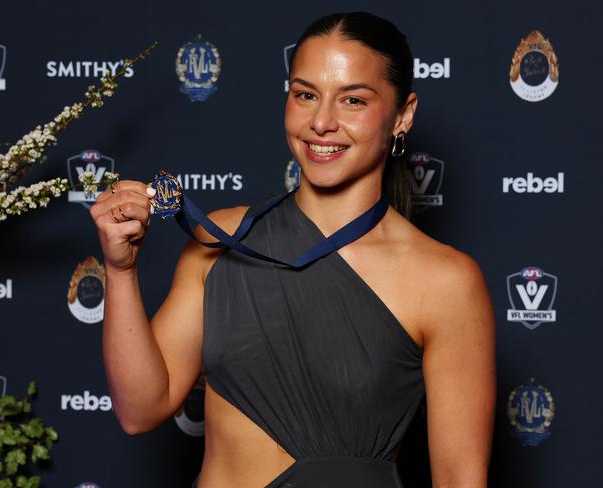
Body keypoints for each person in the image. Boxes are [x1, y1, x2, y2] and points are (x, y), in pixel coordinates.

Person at [89, 11, 495, 488]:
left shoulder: (446, 280)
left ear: (402, 115)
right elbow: (140, 409)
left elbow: (460, 479)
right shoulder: (221, 238)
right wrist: (120, 270)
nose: (322, 122)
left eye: (353, 100)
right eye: (306, 95)